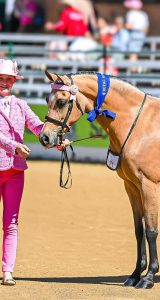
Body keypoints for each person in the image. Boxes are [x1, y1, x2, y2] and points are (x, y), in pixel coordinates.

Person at [0, 59, 43, 286]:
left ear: (15, 81)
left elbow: (37, 126)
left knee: (12, 222)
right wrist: (14, 146)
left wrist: (55, 138)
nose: (5, 82)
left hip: (15, 171)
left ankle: (8, 270)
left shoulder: (21, 105)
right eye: (1, 78)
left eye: (9, 79)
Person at [124, 0, 149, 69]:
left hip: (134, 34)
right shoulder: (144, 14)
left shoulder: (131, 13)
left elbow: (129, 26)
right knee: (135, 54)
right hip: (142, 35)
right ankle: (135, 69)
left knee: (132, 54)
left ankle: (133, 71)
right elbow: (146, 28)